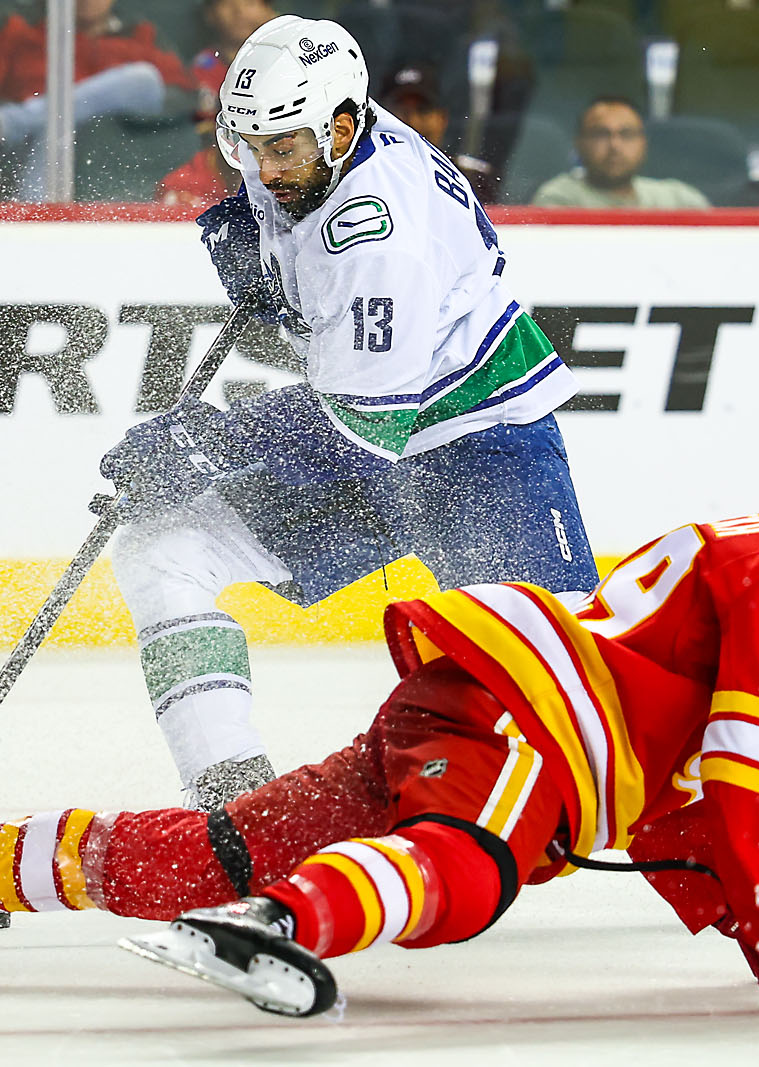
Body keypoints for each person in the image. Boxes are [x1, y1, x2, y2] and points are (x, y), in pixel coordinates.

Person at [0, 406, 759, 1018]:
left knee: (215, 845)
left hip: (465, 700)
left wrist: (751, 908)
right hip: (529, 727)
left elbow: (685, 804)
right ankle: (274, 922)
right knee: (466, 867)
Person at [109, 15, 595, 808]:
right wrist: (268, 252)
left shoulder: (375, 234)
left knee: (576, 707)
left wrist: (209, 443)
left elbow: (358, 429)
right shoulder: (314, 139)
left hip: (481, 450)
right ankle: (235, 805)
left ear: (340, 128)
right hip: (381, 445)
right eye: (247, 147)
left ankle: (750, 832)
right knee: (161, 551)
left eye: (281, 149)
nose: (264, 169)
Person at [0, 0, 200, 200]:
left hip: (118, 151)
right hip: (26, 152)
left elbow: (185, 95)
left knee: (141, 78)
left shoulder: (141, 34)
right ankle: (38, 222)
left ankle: (8, 123)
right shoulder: (19, 30)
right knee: (57, 127)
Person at [531, 97, 710, 209]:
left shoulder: (678, 198)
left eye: (627, 134)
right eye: (601, 134)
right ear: (579, 144)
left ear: (643, 143)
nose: (615, 145)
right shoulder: (558, 198)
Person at [380, 64, 497, 203]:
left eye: (423, 110)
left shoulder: (472, 178)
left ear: (442, 118)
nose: (412, 120)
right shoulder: (367, 173)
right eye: (401, 110)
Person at [156, 90, 242, 209]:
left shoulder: (267, 178)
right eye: (232, 127)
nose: (243, 138)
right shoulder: (184, 184)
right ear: (215, 129)